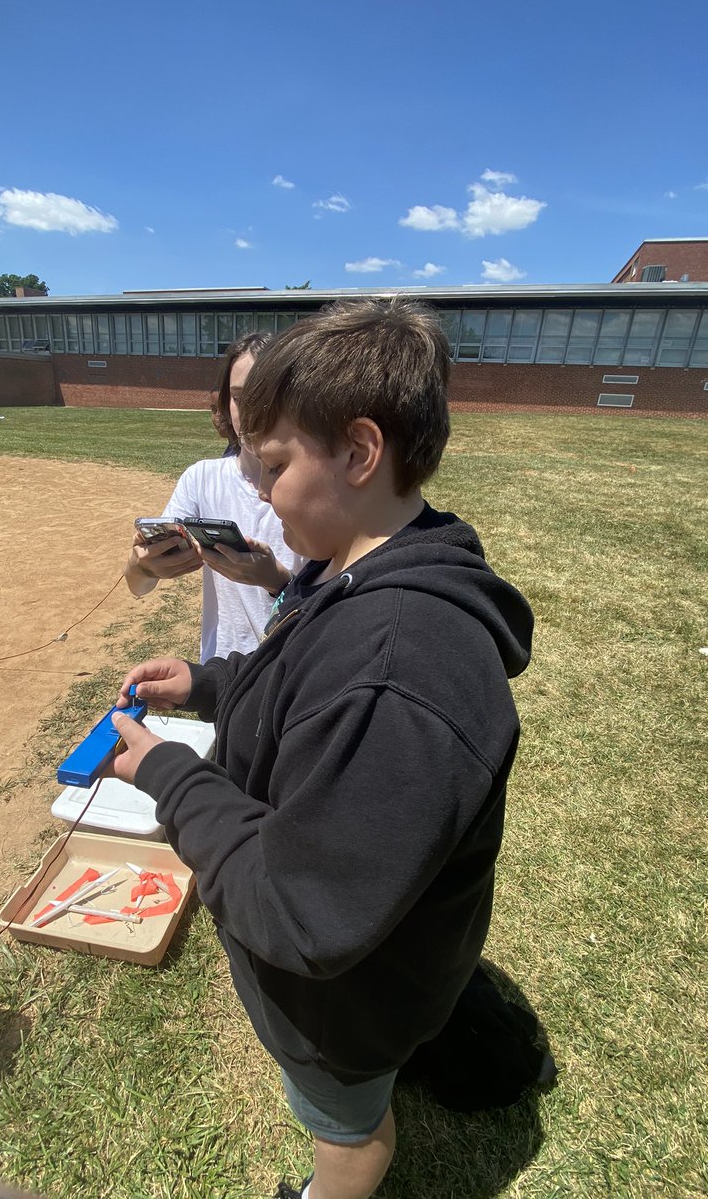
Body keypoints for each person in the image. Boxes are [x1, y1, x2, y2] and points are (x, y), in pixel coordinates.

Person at [110, 298, 534, 1199]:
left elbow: (304, 916)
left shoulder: (397, 670)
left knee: (348, 1136)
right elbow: (299, 676)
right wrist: (209, 684)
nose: (257, 492)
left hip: (347, 1003)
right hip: (361, 966)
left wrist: (170, 775)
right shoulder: (344, 565)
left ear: (359, 451)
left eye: (272, 464)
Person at [125, 333, 304, 662]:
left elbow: (333, 613)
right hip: (221, 680)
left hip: (290, 676)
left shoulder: (313, 489)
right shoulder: (201, 480)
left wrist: (278, 581)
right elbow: (138, 587)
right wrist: (143, 566)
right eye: (238, 397)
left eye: (264, 397)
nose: (249, 413)